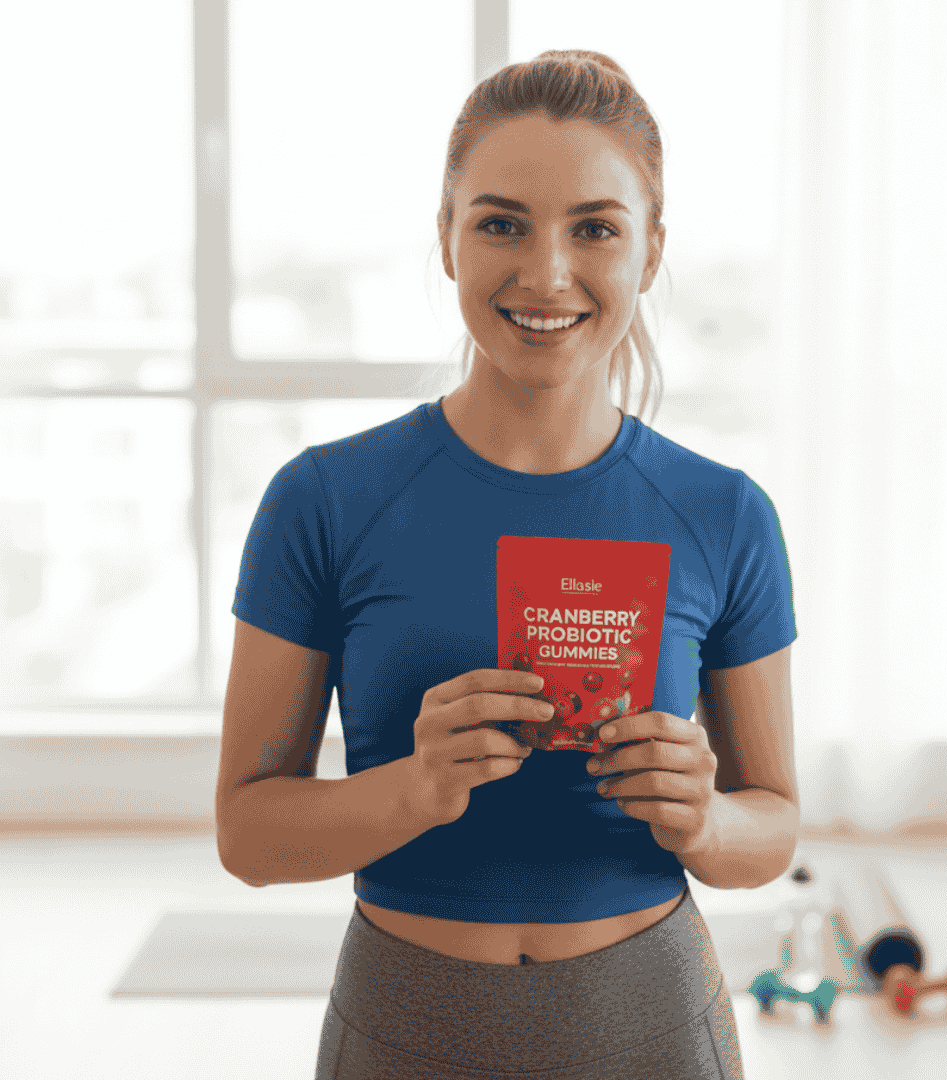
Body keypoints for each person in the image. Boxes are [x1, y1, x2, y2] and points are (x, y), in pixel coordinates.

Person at [216, 50, 800, 1080]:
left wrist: (706, 818)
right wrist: (416, 788)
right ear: (446, 236)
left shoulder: (726, 514)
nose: (546, 274)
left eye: (595, 228)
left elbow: (774, 829)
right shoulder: (323, 500)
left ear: (651, 251)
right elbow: (249, 836)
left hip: (651, 1022)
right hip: (400, 1022)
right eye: (501, 224)